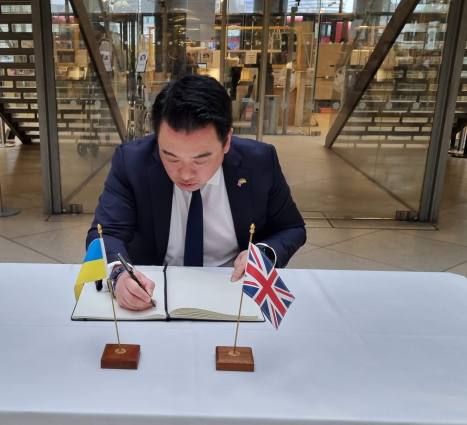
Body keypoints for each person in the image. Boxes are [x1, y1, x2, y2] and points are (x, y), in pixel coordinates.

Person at [85, 74, 307, 311]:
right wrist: (119, 274)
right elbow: (105, 233)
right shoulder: (132, 163)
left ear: (227, 141)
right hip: (155, 291)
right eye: (171, 157)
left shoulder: (259, 162)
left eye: (201, 160)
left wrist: (263, 253)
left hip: (234, 287)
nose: (186, 175)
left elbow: (291, 228)